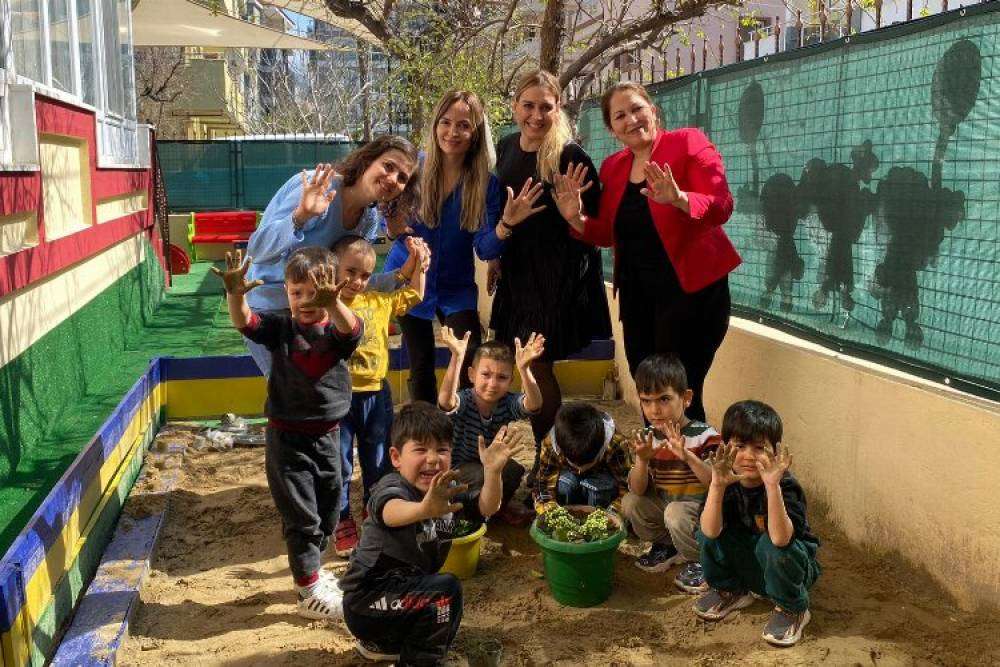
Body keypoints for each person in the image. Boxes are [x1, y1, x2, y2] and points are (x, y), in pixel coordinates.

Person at [554, 81, 741, 422]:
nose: (631, 119)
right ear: (612, 129)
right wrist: (576, 218)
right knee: (648, 388)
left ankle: (692, 455)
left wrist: (680, 199)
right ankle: (655, 455)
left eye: (637, 109)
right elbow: (609, 234)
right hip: (639, 298)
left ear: (652, 111)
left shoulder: (687, 142)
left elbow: (721, 205)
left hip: (691, 294)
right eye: (620, 116)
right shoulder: (613, 167)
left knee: (678, 391)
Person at [212, 247, 362, 620]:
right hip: (288, 441)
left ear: (333, 289)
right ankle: (308, 591)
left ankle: (314, 572)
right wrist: (235, 294)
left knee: (328, 512)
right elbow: (245, 321)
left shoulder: (337, 333)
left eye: (315, 292)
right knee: (302, 517)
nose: (306, 301)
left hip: (329, 438)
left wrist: (334, 303)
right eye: (297, 292)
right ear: (286, 293)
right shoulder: (281, 328)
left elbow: (352, 329)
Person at [385, 90, 543, 404]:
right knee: (421, 364)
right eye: (445, 122)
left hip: (455, 285)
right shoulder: (412, 170)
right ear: (435, 125)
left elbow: (485, 249)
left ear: (475, 133)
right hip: (409, 277)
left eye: (463, 125)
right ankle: (425, 428)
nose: (452, 132)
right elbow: (388, 224)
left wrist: (505, 224)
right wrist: (397, 230)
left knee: (470, 353)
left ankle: (462, 423)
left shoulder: (485, 183)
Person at [339, 402, 526, 664]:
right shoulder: (393, 487)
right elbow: (389, 511)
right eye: (420, 449)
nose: (432, 458)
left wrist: (492, 473)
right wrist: (424, 509)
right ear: (396, 457)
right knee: (443, 592)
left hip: (403, 597)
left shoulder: (448, 490)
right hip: (366, 601)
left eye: (442, 449)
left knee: (448, 597)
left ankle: (390, 646)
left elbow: (487, 506)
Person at [491, 69, 612, 458]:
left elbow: (597, 226)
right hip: (517, 273)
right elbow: (501, 210)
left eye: (546, 106)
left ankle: (552, 459)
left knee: (537, 364)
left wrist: (574, 214)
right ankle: (555, 457)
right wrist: (496, 256)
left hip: (556, 278)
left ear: (558, 107)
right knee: (527, 364)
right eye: (528, 105)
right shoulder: (506, 147)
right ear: (515, 107)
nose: (536, 115)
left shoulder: (570, 155)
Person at [244, 136, 422, 375]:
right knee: (291, 390)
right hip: (271, 309)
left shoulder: (368, 222)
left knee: (322, 390)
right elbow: (257, 249)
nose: (392, 179)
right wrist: (300, 216)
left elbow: (351, 282)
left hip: (316, 312)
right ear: (368, 160)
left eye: (402, 178)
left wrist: (405, 273)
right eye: (388, 166)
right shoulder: (319, 187)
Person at [332, 234, 430, 557]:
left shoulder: (378, 300)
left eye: (364, 275)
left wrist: (420, 264)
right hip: (339, 398)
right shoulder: (329, 306)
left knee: (376, 461)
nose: (357, 281)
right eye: (350, 272)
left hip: (376, 396)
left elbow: (415, 294)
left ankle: (373, 509)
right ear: (333, 268)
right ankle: (341, 521)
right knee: (340, 464)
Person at [695, 400, 820, 647]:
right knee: (706, 531)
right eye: (740, 446)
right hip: (751, 567)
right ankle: (731, 590)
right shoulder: (725, 483)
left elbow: (781, 540)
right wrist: (717, 485)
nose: (749, 456)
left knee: (771, 545)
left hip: (790, 567)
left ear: (775, 451)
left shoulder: (786, 486)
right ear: (725, 447)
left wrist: (772, 486)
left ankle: (792, 608)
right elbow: (709, 531)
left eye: (760, 447)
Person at [620, 354, 721, 594]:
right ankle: (667, 546)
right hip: (667, 508)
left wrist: (687, 456)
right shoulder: (648, 437)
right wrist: (642, 460)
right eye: (646, 401)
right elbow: (638, 489)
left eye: (664, 399)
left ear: (686, 398)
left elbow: (715, 481)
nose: (654, 410)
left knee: (675, 512)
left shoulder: (705, 435)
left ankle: (702, 560)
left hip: (701, 514)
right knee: (631, 502)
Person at [437, 328, 544, 524]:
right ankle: (469, 514)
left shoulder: (507, 402)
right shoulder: (465, 400)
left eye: (502, 377)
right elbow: (446, 402)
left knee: (513, 470)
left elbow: (534, 404)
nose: (493, 383)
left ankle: (496, 510)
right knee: (484, 475)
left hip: (488, 462)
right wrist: (457, 357)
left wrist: (524, 369)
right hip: (458, 470)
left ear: (511, 380)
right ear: (471, 375)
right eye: (486, 374)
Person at [532, 402, 631, 514]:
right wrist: (551, 512)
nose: (580, 469)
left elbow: (627, 486)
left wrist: (612, 514)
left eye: (588, 462)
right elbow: (542, 484)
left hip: (601, 485)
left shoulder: (615, 443)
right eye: (573, 463)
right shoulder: (551, 443)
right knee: (565, 486)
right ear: (561, 449)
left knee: (599, 490)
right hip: (569, 482)